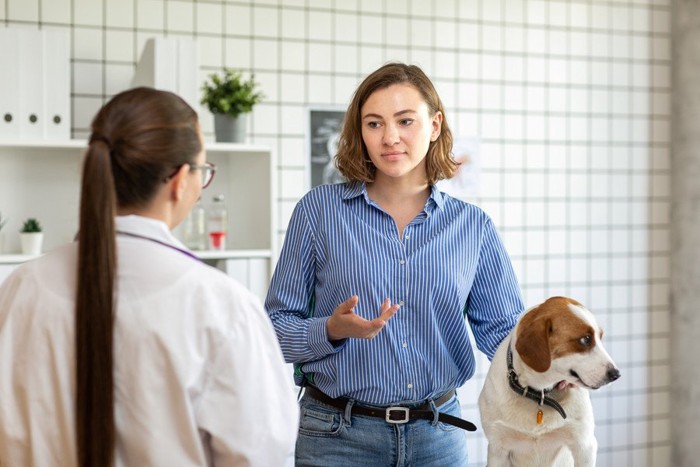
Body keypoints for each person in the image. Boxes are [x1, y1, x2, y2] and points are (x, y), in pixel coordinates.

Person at [0, 87, 298, 466]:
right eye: (203, 171)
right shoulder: (222, 306)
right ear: (179, 181)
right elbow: (261, 455)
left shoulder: (19, 289)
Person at [265, 62, 524, 466]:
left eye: (405, 121)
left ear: (434, 125)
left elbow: (507, 337)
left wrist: (557, 361)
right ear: (360, 131)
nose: (390, 138)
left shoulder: (472, 226)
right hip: (336, 437)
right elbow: (274, 331)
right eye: (374, 124)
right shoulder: (318, 212)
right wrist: (331, 329)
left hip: (439, 437)